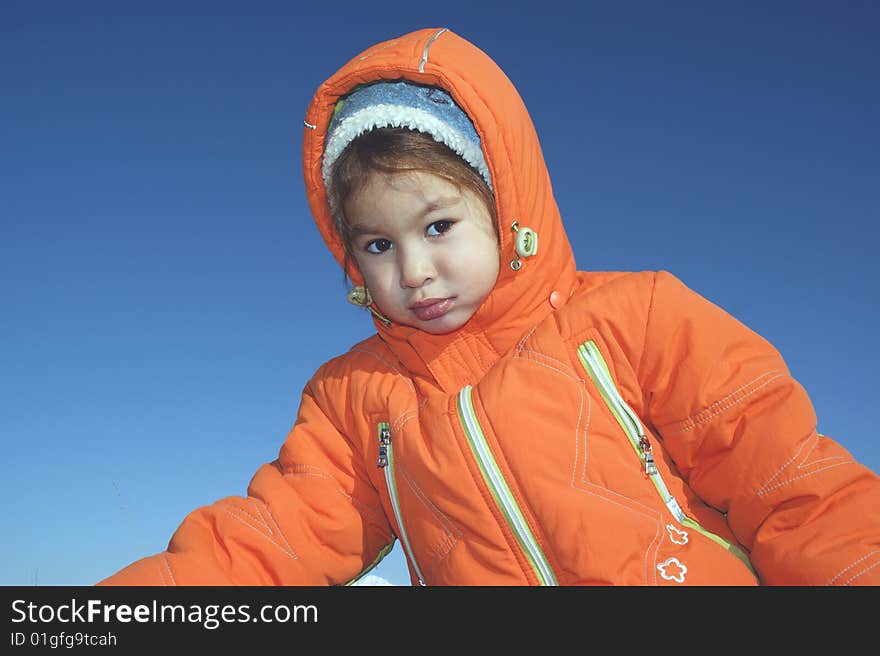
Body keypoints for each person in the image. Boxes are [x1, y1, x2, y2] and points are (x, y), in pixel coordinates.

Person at [99, 27, 880, 586]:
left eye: (439, 226)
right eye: (376, 245)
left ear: (508, 207)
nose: (414, 271)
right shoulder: (352, 403)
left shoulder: (635, 317)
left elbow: (790, 484)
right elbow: (269, 545)